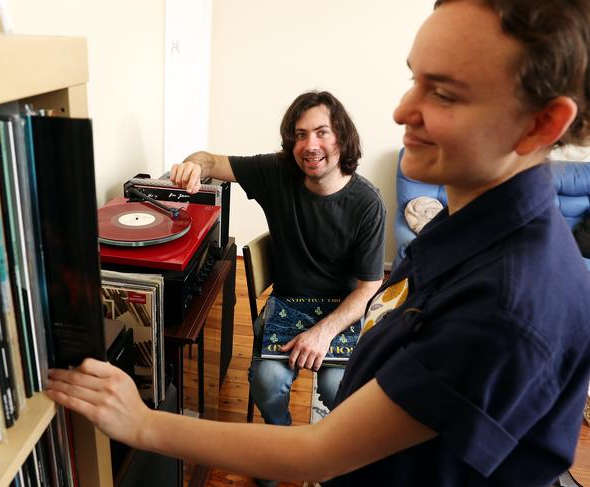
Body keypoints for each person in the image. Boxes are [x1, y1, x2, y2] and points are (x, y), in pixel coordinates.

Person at [46, 0, 590, 485]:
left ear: (541, 124)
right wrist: (192, 166)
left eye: (444, 92)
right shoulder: (461, 224)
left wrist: (142, 422)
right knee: (268, 378)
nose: (402, 111)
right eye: (414, 80)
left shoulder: (507, 305)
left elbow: (319, 451)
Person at [169, 90, 386, 433]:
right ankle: (281, 437)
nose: (310, 145)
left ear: (342, 137)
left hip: (339, 312)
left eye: (321, 132)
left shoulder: (368, 203)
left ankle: (332, 447)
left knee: (338, 390)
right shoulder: (277, 171)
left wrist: (323, 332)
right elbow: (210, 159)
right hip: (286, 302)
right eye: (300, 135)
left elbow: (370, 286)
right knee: (267, 382)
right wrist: (192, 164)